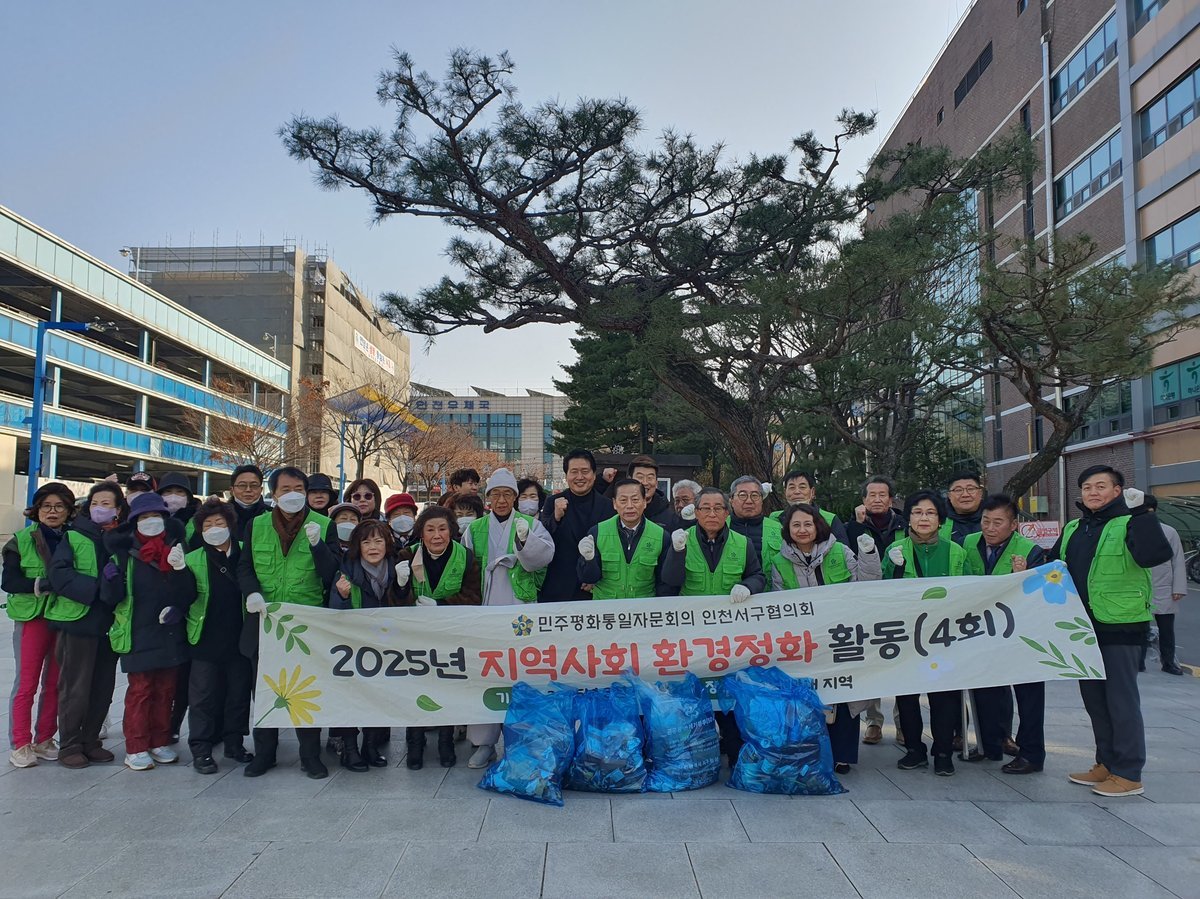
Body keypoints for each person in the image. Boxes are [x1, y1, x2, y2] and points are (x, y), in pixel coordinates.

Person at [1051, 465, 1173, 797]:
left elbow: (1154, 555)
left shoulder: (1131, 521)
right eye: (1087, 487)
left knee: (1121, 701)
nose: (1093, 492)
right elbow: (1053, 567)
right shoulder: (1075, 527)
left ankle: (1129, 772)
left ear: (1117, 491)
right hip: (1080, 627)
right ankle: (1106, 762)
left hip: (1121, 626)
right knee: (1095, 701)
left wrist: (1144, 513)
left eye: (1101, 486)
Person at [239, 467, 339, 779]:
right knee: (264, 690)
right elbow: (244, 566)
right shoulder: (256, 525)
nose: (292, 494)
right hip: (264, 620)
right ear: (273, 493)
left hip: (305, 623)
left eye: (299, 489)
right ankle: (264, 753)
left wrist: (318, 546)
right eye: (285, 489)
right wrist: (251, 593)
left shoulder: (324, 524)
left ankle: (310, 755)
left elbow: (332, 574)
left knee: (305, 689)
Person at [771, 503, 880, 773]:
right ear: (787, 529)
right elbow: (778, 602)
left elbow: (867, 585)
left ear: (818, 525)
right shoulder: (779, 561)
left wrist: (868, 554)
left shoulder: (840, 551)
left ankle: (842, 755)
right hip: (804, 641)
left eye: (807, 524)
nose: (802, 530)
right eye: (796, 525)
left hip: (840, 636)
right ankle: (811, 753)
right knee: (808, 696)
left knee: (843, 693)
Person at [661, 487, 765, 761]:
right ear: (695, 513)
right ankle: (695, 755)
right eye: (705, 508)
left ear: (727, 513)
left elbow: (758, 575)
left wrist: (747, 586)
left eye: (718, 508)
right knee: (693, 693)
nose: (711, 513)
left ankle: (735, 752)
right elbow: (670, 580)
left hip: (729, 635)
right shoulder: (682, 540)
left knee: (728, 694)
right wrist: (677, 551)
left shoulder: (742, 543)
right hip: (691, 634)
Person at [460, 469, 555, 768]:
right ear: (487, 498)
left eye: (507, 494)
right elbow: (465, 568)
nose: (501, 500)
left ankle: (522, 739)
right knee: (486, 673)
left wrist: (525, 542)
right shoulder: (474, 528)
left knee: (521, 671)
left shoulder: (531, 524)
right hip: (485, 607)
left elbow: (544, 559)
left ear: (515, 497)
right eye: (496, 494)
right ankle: (484, 742)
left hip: (520, 606)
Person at [101, 491, 194, 771]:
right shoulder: (123, 554)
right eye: (145, 517)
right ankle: (136, 746)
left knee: (166, 690)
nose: (151, 521)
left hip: (169, 631)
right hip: (137, 630)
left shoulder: (175, 548)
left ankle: (160, 740)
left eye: (156, 516)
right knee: (140, 690)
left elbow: (189, 590)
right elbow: (110, 598)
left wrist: (179, 600)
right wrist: (111, 581)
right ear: (134, 521)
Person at [884, 490, 966, 777]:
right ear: (908, 518)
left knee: (944, 697)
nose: (923, 518)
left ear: (940, 520)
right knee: (906, 696)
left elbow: (969, 591)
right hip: (905, 636)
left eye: (930, 513)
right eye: (917, 512)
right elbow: (880, 592)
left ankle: (943, 752)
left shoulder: (956, 552)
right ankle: (914, 750)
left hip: (945, 636)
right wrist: (890, 566)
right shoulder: (896, 550)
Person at [963, 494, 1047, 775]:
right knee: (986, 690)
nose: (990, 528)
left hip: (1021, 634)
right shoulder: (968, 543)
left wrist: (1022, 575)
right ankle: (990, 745)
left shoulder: (1030, 551)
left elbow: (1039, 593)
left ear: (1013, 525)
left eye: (997, 522)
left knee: (1028, 694)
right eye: (985, 521)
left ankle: (1031, 753)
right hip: (983, 631)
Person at [47, 482, 127, 769]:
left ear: (118, 509)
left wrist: (115, 588)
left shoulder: (122, 540)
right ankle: (69, 744)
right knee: (75, 686)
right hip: (79, 620)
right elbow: (59, 573)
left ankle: (91, 740)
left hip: (110, 622)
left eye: (107, 504)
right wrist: (97, 588)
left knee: (103, 686)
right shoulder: (74, 536)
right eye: (95, 503)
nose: (100, 508)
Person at [396, 506, 483, 769]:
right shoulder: (406, 556)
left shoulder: (465, 556)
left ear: (451, 531)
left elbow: (474, 596)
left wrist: (441, 605)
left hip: (451, 635)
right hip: (415, 636)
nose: (437, 535)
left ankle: (446, 741)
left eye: (443, 529)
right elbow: (392, 602)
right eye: (430, 530)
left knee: (447, 686)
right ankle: (415, 741)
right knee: (415, 687)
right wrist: (401, 586)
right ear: (421, 534)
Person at [177, 499, 254, 775]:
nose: (214, 528)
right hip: (205, 638)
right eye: (208, 525)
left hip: (240, 636)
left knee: (238, 694)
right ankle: (201, 749)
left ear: (230, 525)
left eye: (219, 523)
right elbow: (184, 596)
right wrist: (178, 573)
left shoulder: (245, 552)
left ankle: (234, 743)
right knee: (203, 696)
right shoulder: (192, 558)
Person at [330, 519, 411, 771]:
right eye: (366, 542)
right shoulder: (346, 571)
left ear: (387, 544)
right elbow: (334, 614)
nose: (373, 547)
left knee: (378, 697)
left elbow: (406, 609)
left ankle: (370, 746)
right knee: (351, 697)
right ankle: (350, 749)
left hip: (386, 647)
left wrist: (402, 586)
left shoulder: (396, 569)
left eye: (378, 541)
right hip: (353, 648)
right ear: (358, 546)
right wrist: (342, 596)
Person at [3, 482, 75, 768]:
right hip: (32, 619)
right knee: (27, 683)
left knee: (56, 682)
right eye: (46, 506)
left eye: (59, 506)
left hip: (63, 617)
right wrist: (41, 584)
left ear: (68, 511)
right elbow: (9, 581)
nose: (52, 512)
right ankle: (21, 743)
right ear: (36, 510)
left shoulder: (74, 539)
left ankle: (45, 739)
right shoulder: (20, 540)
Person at [846, 475, 907, 746]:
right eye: (872, 494)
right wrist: (856, 525)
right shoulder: (853, 526)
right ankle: (873, 721)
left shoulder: (904, 525)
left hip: (899, 603)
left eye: (883, 494)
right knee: (870, 661)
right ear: (863, 499)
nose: (877, 499)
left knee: (902, 662)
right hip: (867, 605)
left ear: (891, 499)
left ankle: (904, 722)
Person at [578, 478, 675, 600]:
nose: (629, 506)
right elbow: (588, 578)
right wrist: (588, 560)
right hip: (606, 607)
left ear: (644, 502)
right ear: (614, 503)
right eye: (623, 500)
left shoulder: (661, 536)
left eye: (635, 500)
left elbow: (664, 582)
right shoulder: (597, 532)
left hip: (643, 607)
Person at [539, 449, 616, 602]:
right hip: (558, 589)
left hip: (597, 588)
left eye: (585, 471)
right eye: (574, 472)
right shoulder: (553, 502)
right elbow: (542, 539)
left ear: (594, 475)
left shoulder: (608, 506)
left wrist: (595, 576)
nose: (580, 477)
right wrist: (556, 517)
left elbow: (612, 547)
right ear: (566, 475)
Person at [157, 471, 199, 741]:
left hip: (190, 604)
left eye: (180, 493)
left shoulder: (197, 523)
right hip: (156, 606)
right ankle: (157, 725)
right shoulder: (152, 521)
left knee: (185, 673)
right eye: (168, 492)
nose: (173, 498)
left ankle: (173, 725)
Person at [1141, 495, 1188, 676]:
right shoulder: (1130, 531)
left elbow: (1178, 561)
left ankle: (1168, 662)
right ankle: (1138, 662)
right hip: (1139, 588)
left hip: (1164, 587)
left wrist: (1178, 588)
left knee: (1167, 629)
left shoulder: (1169, 532)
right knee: (1139, 628)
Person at [769, 471, 849, 546]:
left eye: (802, 487)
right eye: (792, 487)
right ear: (785, 492)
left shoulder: (830, 519)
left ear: (812, 492)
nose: (797, 492)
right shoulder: (774, 518)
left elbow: (842, 552)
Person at [728, 475, 784, 579]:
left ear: (762, 500)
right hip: (730, 589)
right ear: (731, 500)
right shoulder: (720, 527)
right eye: (742, 495)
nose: (749, 501)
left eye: (755, 495)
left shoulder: (778, 529)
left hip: (768, 588)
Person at [603, 455, 678, 528]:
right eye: (640, 477)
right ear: (629, 479)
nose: (645, 482)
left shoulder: (670, 517)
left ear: (656, 483)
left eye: (650, 477)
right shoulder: (612, 511)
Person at [941, 471, 984, 544]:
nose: (965, 495)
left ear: (980, 493)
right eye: (958, 490)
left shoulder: (995, 517)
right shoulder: (938, 521)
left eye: (970, 489)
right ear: (949, 495)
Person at [229, 465, 268, 541]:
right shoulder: (220, 515)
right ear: (232, 490)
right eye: (242, 485)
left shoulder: (273, 515)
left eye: (254, 485)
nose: (248, 490)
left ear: (261, 489)